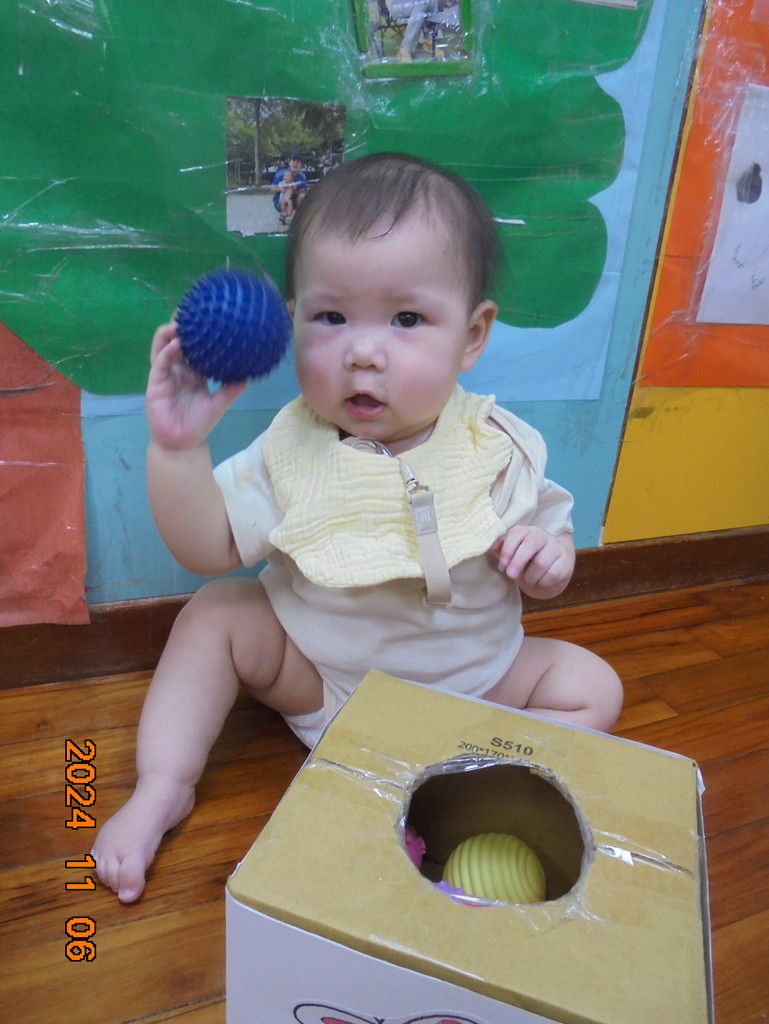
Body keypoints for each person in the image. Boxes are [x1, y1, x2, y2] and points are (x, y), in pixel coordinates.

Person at [91, 152, 623, 903]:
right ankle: (163, 786)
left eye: (407, 319)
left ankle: (475, 780)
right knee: (216, 613)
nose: (362, 352)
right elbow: (207, 549)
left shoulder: (495, 446)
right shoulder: (293, 449)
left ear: (472, 335)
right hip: (322, 685)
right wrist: (177, 450)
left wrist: (547, 558)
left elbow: (551, 547)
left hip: (474, 691)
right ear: (292, 321)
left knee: (592, 686)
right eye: (331, 317)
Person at [271, 152, 307, 228]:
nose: (295, 163)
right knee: (283, 199)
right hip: (280, 200)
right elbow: (272, 189)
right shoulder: (280, 173)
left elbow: (303, 191)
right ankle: (282, 217)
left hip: (293, 200)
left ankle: (298, 219)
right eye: (293, 160)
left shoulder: (302, 176)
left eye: (298, 161)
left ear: (301, 165)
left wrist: (292, 190)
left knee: (302, 196)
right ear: (289, 162)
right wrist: (282, 189)